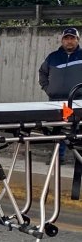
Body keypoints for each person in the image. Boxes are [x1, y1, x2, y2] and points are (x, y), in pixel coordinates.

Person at [39, 27, 82, 164]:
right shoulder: (53, 57)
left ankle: (79, 160)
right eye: (66, 38)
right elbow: (42, 73)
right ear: (62, 40)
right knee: (58, 129)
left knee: (79, 129)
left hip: (78, 99)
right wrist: (48, 89)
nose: (69, 41)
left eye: (72, 38)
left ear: (77, 40)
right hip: (56, 99)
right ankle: (57, 157)